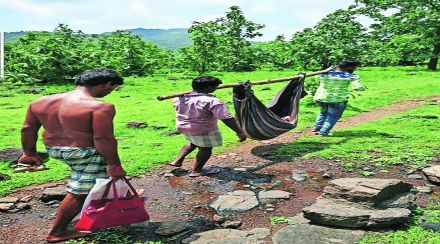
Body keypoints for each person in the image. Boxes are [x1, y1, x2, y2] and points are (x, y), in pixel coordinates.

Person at [18, 68, 127, 243]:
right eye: (112, 89)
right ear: (108, 84)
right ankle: (57, 231)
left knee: (93, 181)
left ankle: (97, 214)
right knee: (79, 191)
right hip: (84, 152)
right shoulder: (100, 106)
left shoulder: (40, 101)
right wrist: (114, 165)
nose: (109, 92)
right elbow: (103, 138)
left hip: (55, 149)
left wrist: (29, 153)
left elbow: (28, 128)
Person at [168, 76, 247, 177]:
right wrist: (239, 132)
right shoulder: (212, 101)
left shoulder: (179, 97)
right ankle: (197, 170)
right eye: (215, 86)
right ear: (209, 88)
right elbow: (226, 118)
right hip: (203, 129)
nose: (216, 88)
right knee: (206, 148)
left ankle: (177, 161)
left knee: (193, 142)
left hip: (184, 126)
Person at [312, 61, 365, 136]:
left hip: (320, 98)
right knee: (333, 116)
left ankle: (317, 127)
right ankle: (323, 132)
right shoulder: (351, 76)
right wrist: (362, 88)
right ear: (349, 67)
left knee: (323, 111)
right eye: (354, 67)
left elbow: (317, 77)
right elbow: (357, 87)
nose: (354, 69)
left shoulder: (324, 73)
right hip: (337, 100)